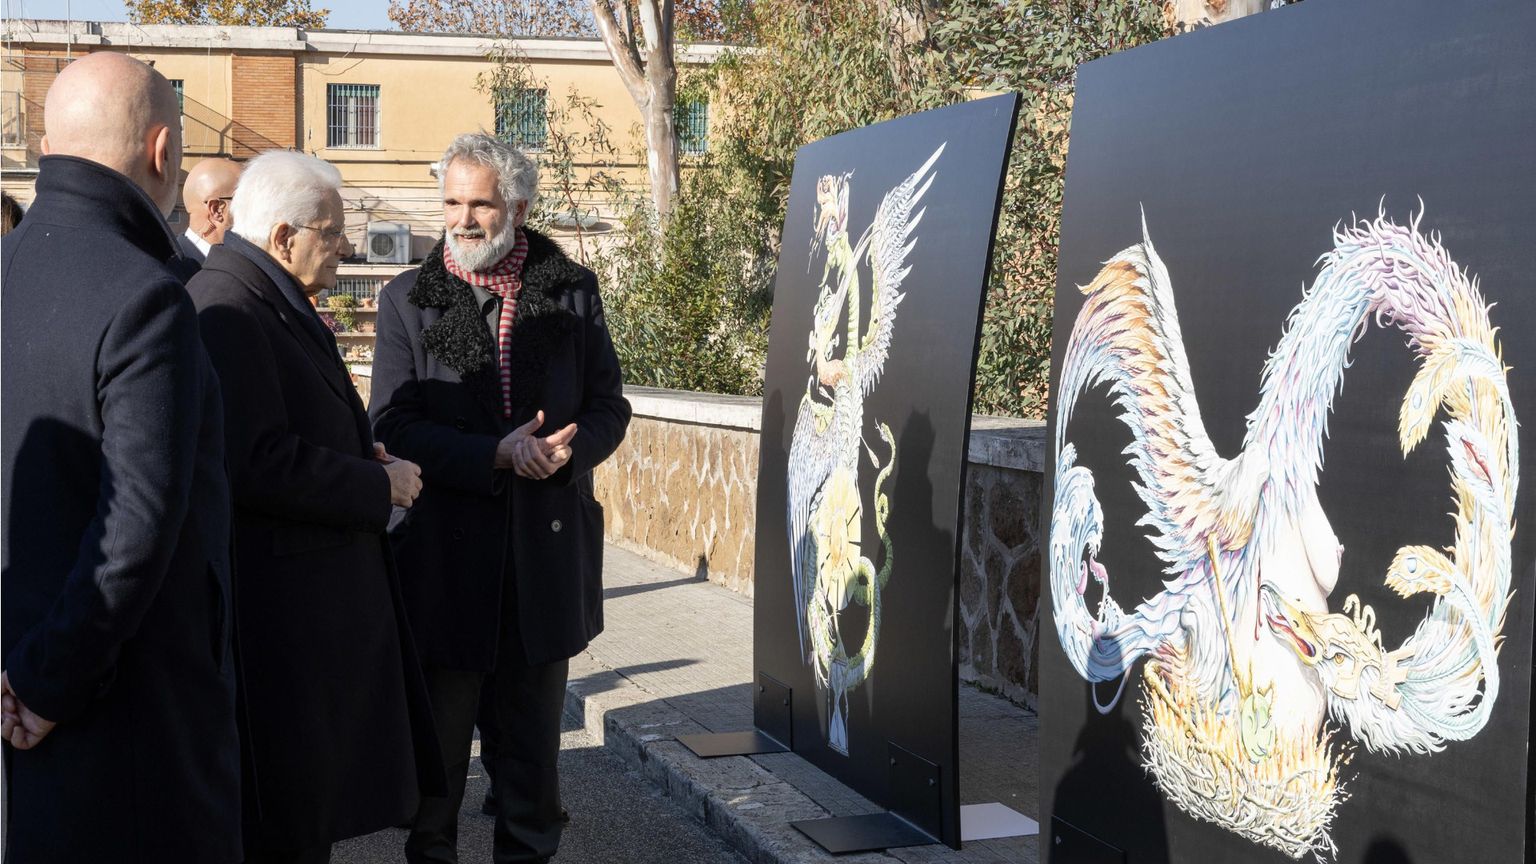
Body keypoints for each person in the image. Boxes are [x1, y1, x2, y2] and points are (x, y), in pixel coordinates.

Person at [1, 52, 240, 863]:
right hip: (123, 712)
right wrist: (48, 682)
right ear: (163, 150)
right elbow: (134, 524)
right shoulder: (146, 295)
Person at [371, 132, 630, 864]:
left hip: (543, 567)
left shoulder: (574, 289)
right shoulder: (405, 299)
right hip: (445, 567)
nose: (461, 218)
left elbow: (611, 405)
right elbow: (390, 424)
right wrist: (496, 452)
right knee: (438, 779)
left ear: (517, 205)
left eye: (479, 203)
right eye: (451, 201)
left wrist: (566, 452)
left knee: (531, 775)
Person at [186, 149, 443, 864]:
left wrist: (363, 456)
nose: (343, 246)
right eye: (330, 232)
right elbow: (254, 461)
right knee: (283, 833)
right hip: (281, 626)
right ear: (283, 237)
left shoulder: (261, 295)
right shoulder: (228, 309)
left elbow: (291, 427)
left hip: (303, 618)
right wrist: (374, 487)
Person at [177, 156, 243, 265]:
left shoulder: (236, 264)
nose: (254, 209)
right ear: (217, 210)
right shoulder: (174, 276)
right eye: (248, 200)